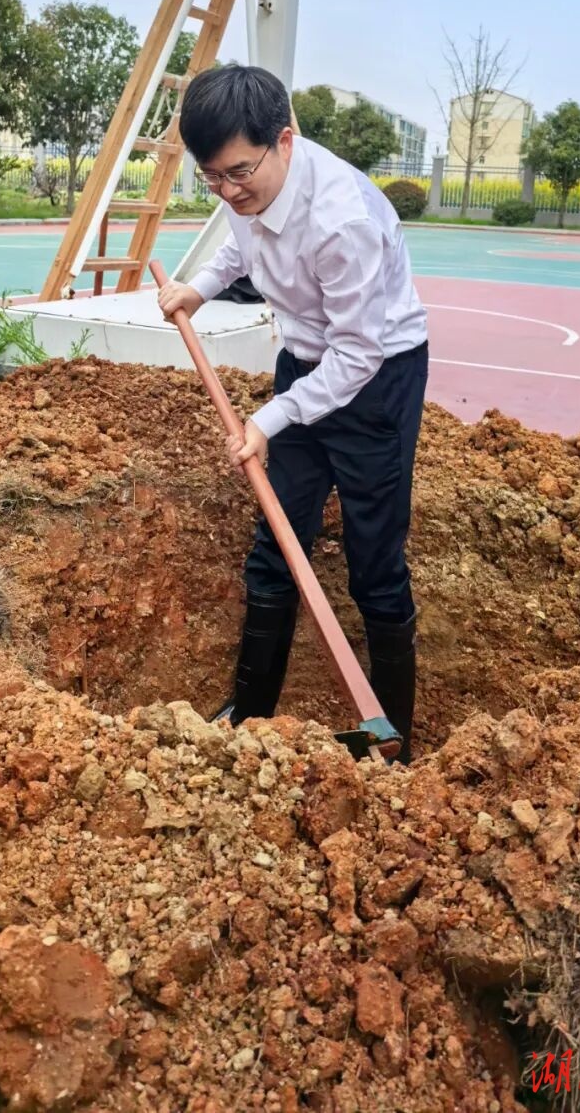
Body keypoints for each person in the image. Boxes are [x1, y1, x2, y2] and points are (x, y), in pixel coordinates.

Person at [157, 64, 428, 762]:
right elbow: (238, 243)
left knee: (374, 563)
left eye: (238, 172)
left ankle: (391, 734)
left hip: (376, 379)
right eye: (210, 177)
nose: (226, 189)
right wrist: (200, 288)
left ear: (284, 139)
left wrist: (270, 418)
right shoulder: (244, 189)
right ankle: (250, 715)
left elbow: (357, 356)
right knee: (275, 546)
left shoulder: (344, 221)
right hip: (306, 362)